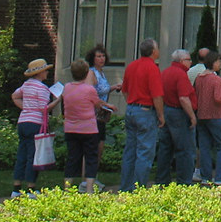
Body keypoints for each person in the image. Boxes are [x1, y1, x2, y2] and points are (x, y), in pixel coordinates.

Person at [10, 58, 61, 199]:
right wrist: (58, 100)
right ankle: (31, 188)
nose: (47, 73)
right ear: (39, 73)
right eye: (45, 70)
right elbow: (44, 109)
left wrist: (26, 108)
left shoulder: (26, 85)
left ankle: (16, 188)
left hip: (23, 122)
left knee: (22, 155)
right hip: (35, 123)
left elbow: (15, 96)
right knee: (33, 156)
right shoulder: (42, 88)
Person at [119, 38, 165, 192]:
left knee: (130, 151)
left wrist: (131, 103)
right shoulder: (152, 68)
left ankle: (126, 187)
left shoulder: (131, 66)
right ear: (153, 51)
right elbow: (157, 96)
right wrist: (161, 115)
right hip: (146, 111)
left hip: (131, 109)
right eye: (157, 48)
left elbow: (124, 90)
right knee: (145, 152)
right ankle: (139, 189)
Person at [62, 59, 111, 193]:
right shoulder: (89, 90)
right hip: (88, 129)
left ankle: (67, 190)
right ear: (86, 73)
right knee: (91, 158)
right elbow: (98, 104)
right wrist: (109, 106)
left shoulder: (67, 87)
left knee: (72, 158)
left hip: (70, 128)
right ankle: (89, 189)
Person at [194, 50, 221, 186]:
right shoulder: (216, 79)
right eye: (218, 61)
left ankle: (205, 177)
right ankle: (220, 178)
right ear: (213, 62)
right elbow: (220, 98)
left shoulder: (199, 78)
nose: (220, 64)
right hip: (215, 115)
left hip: (202, 115)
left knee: (204, 147)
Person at [156, 49, 198, 185]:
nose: (191, 62)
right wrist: (192, 116)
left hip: (166, 110)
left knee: (165, 148)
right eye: (188, 60)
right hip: (179, 113)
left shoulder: (165, 72)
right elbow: (183, 98)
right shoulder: (181, 75)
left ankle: (162, 181)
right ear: (181, 61)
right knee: (185, 149)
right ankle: (184, 182)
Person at [82, 44, 121, 191]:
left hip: (102, 115)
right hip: (93, 114)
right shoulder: (91, 73)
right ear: (93, 58)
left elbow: (102, 90)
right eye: (98, 56)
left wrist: (113, 87)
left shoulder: (102, 73)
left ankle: (93, 177)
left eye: (103, 56)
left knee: (100, 147)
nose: (102, 59)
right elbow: (90, 93)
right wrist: (105, 104)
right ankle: (86, 180)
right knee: (92, 147)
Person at [186, 46, 211, 182]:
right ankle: (199, 169)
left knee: (193, 141)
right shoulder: (209, 74)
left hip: (191, 107)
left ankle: (191, 169)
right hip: (204, 109)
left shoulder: (190, 71)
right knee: (203, 141)